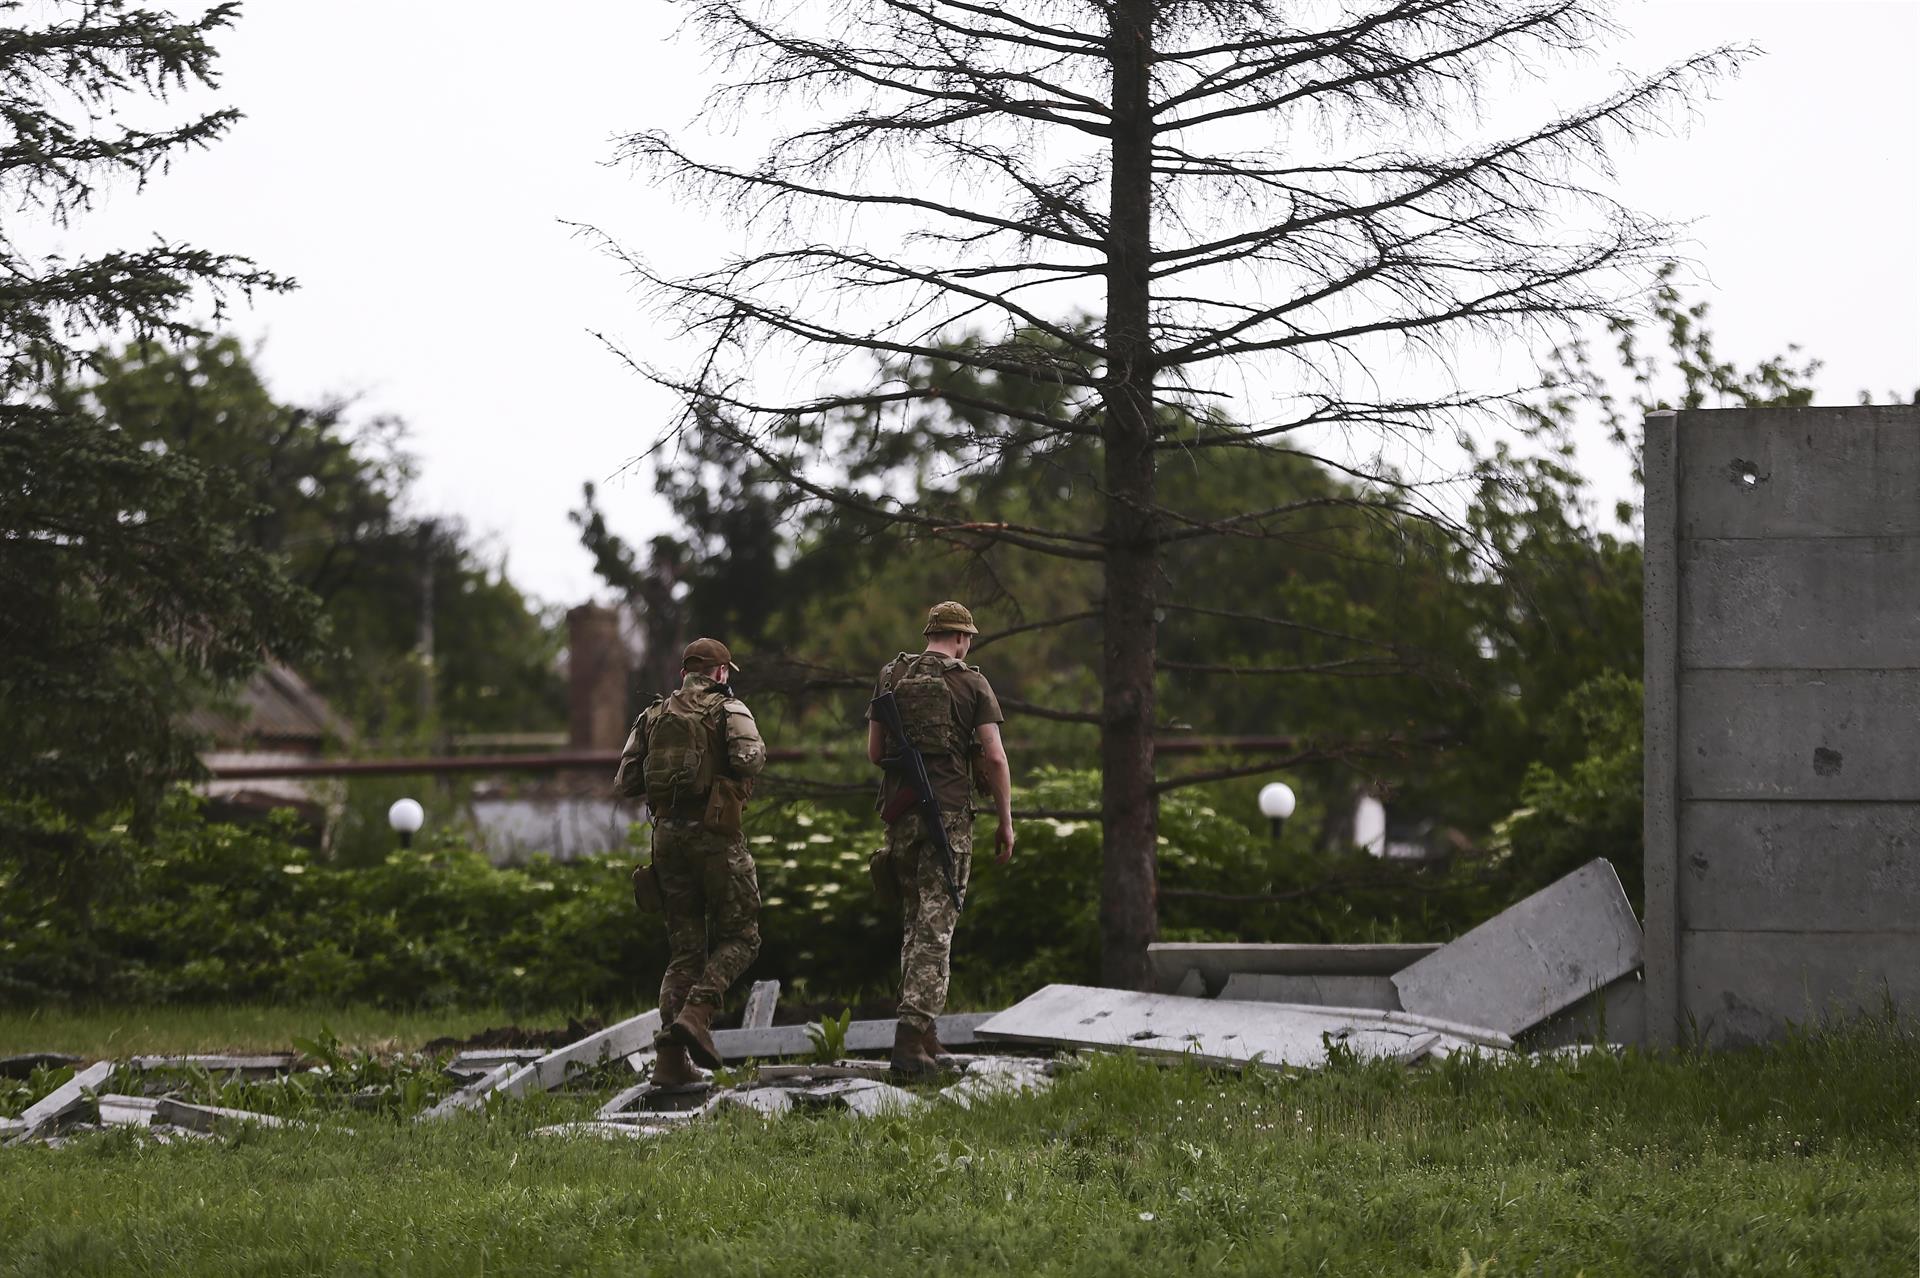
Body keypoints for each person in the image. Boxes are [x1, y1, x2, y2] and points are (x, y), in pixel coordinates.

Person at [867, 600, 1014, 1077]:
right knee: (937, 926)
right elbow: (994, 757)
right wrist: (1005, 820)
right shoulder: (971, 682)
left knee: (915, 924)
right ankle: (910, 1043)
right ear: (961, 638)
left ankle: (926, 1039)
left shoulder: (892, 675)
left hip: (900, 818)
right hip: (947, 818)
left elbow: (874, 753)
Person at [614, 637, 766, 1087]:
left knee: (684, 951)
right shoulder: (728, 708)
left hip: (666, 840)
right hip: (715, 835)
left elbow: (625, 781)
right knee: (743, 935)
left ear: (684, 673)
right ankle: (699, 1012)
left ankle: (670, 1061)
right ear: (720, 673)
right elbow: (749, 759)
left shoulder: (652, 716)